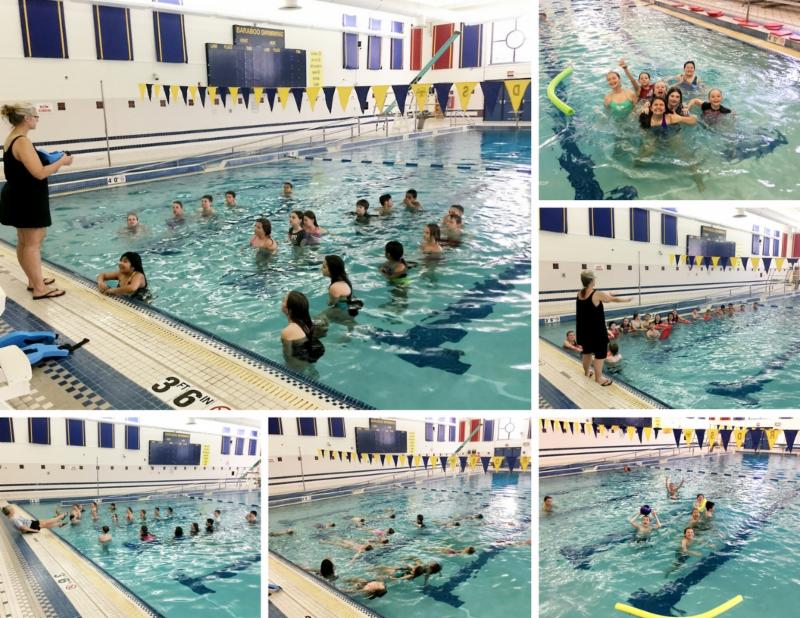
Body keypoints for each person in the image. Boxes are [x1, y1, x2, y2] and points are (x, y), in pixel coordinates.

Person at [1, 103, 74, 299]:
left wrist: (52, 159)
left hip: (20, 195)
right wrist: (62, 162)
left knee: (26, 241)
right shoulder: (22, 141)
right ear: (27, 118)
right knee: (32, 243)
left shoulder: (13, 138)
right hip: (26, 198)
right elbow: (39, 173)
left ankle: (34, 281)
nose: (37, 119)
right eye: (35, 116)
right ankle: (40, 289)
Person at [576, 270, 631, 386]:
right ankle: (598, 378)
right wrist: (626, 300)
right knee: (600, 355)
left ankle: (587, 372)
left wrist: (609, 293)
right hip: (596, 331)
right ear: (592, 280)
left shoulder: (579, 294)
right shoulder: (596, 294)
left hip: (583, 329)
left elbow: (604, 297)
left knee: (587, 352)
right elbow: (612, 299)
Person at [280, 291, 325, 363]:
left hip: (297, 365)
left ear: (289, 310)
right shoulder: (308, 324)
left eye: (283, 300)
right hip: (308, 361)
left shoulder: (288, 332)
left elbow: (288, 357)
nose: (281, 302)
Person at [3, 505, 67, 532]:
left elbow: (21, 526)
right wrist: (33, 530)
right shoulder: (14, 519)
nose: (14, 510)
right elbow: (22, 527)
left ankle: (59, 524)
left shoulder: (11, 517)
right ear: (10, 512)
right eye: (12, 509)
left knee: (44, 524)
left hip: (30, 524)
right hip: (31, 526)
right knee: (45, 522)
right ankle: (62, 516)